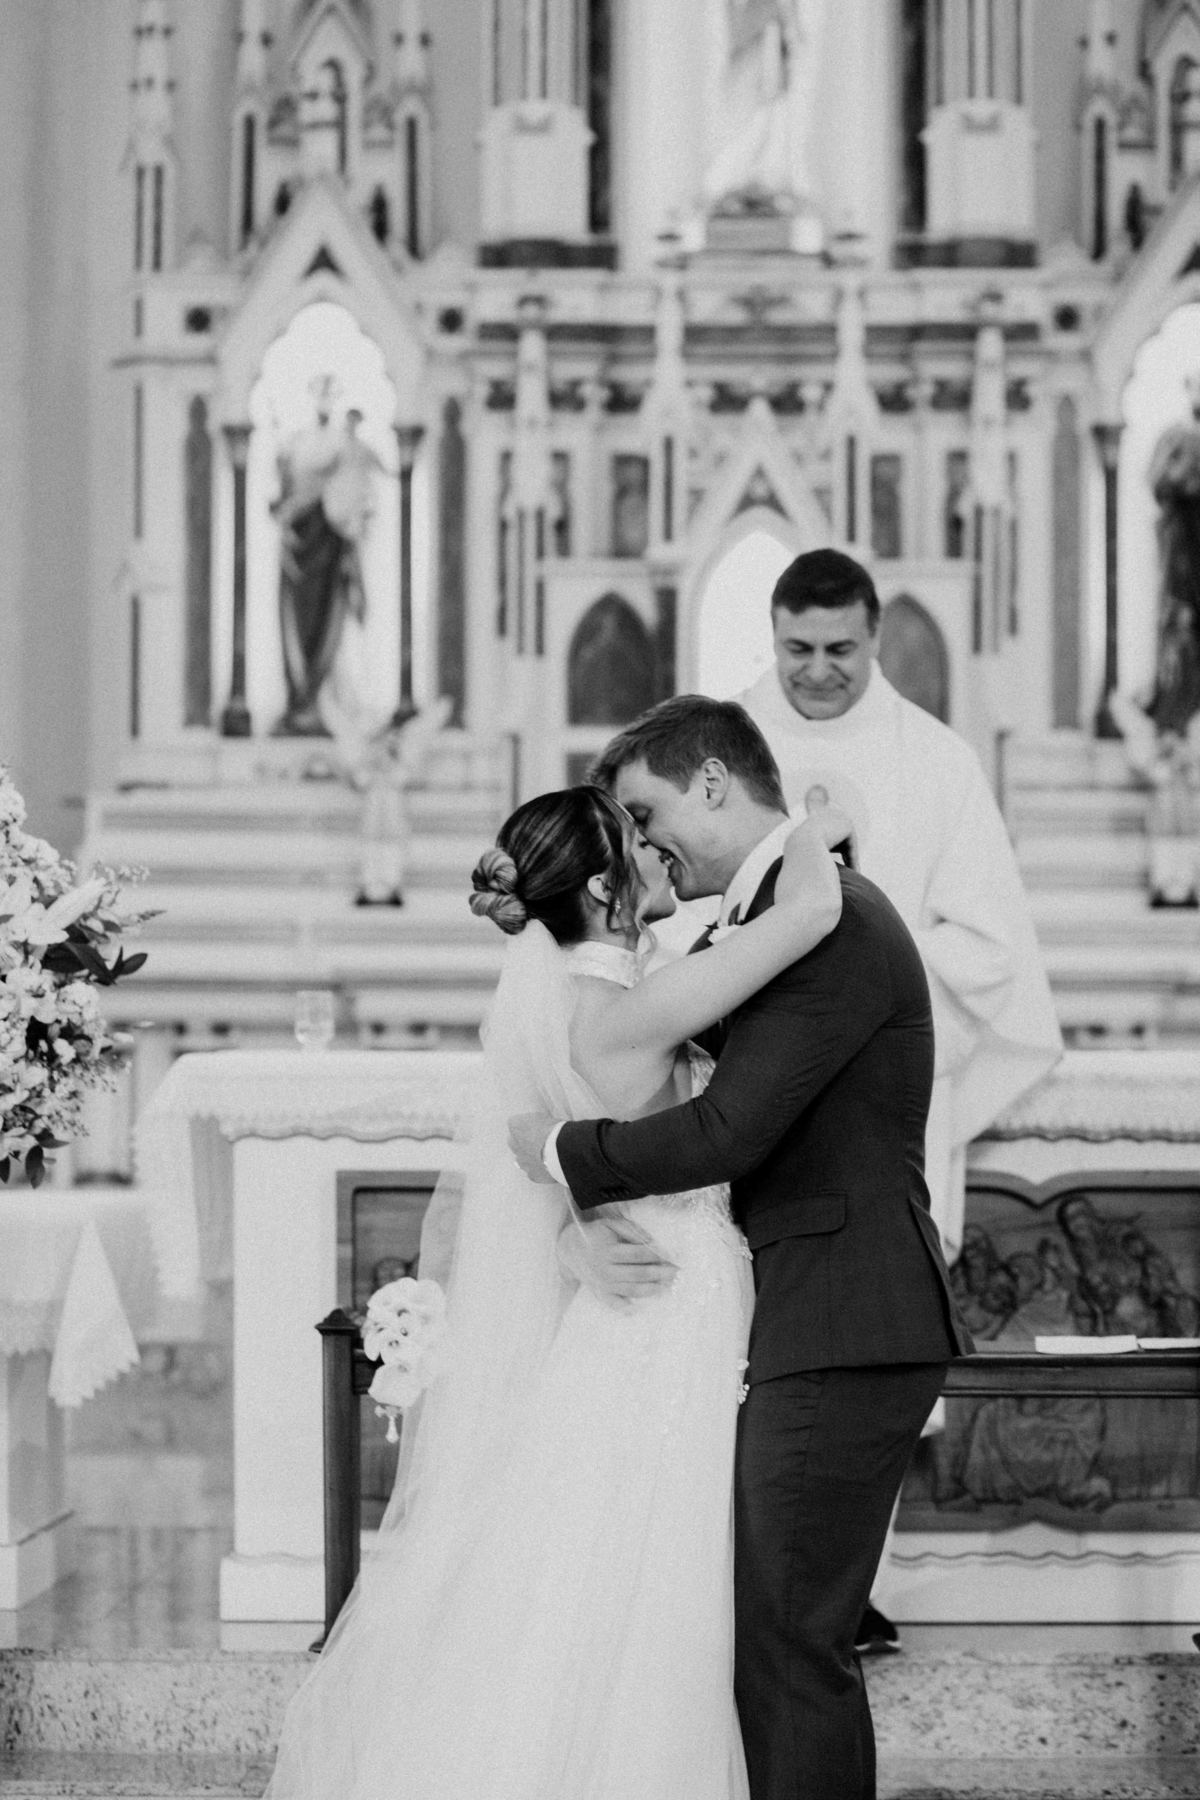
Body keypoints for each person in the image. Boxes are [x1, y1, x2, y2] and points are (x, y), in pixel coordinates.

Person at [267, 781, 849, 1800]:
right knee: (652, 1580)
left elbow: (529, 1150)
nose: (660, 855)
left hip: (633, 1301)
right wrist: (817, 825)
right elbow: (808, 915)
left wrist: (574, 1229)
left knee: (594, 1565)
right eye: (639, 843)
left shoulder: (579, 999)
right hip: (674, 1302)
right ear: (603, 887)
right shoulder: (632, 1005)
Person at [510, 695, 973, 1800]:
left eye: (645, 812)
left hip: (845, 1316)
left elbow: (726, 1131)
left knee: (788, 1640)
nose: (640, 843)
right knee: (767, 1635)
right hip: (804, 1315)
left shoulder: (833, 922)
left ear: (712, 782)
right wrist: (569, 1210)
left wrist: (563, 1157)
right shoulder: (772, 920)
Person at [737, 550, 1060, 1651]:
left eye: (841, 649)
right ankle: (752, 1585)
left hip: (880, 1104)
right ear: (772, 635)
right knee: (744, 1340)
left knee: (862, 1343)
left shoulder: (937, 761)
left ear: (876, 638)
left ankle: (844, 1591)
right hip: (753, 1099)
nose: (818, 670)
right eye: (797, 649)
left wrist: (860, 980)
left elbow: (988, 948)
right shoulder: (729, 747)